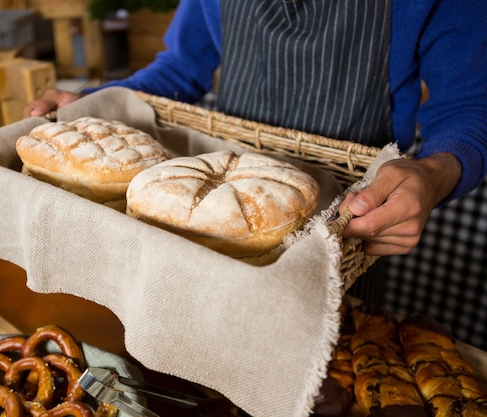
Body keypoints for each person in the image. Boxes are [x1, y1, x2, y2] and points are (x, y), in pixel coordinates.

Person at [24, 1, 487, 304]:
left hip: (347, 227)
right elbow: (181, 68)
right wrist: (94, 102)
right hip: (208, 217)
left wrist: (435, 173)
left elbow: (468, 107)